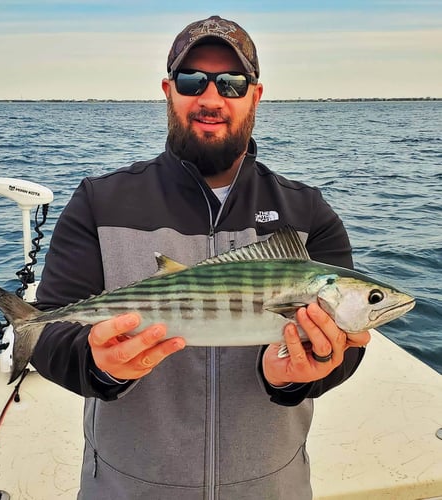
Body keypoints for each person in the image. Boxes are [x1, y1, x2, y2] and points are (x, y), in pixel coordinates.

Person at [32, 15, 371, 499]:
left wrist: (298, 375)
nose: (211, 99)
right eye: (193, 80)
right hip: (125, 489)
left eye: (232, 83)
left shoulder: (308, 212)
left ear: (255, 95)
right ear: (169, 90)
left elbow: (344, 347)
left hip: (272, 488)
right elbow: (48, 330)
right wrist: (99, 363)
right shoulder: (98, 202)